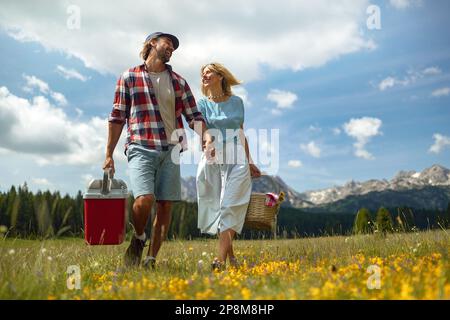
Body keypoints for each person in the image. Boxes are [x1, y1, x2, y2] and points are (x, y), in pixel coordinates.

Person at [104, 32, 210, 268]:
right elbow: (117, 116)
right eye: (167, 43)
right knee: (144, 199)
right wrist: (109, 153)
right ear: (153, 43)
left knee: (165, 204)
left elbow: (194, 116)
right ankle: (140, 236)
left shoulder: (179, 81)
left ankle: (151, 259)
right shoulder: (129, 76)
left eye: (174, 46)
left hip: (171, 148)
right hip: (141, 144)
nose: (171, 47)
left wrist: (207, 137)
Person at [196, 62, 261, 270]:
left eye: (209, 72)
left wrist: (250, 161)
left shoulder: (237, 102)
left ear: (220, 76)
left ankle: (219, 261)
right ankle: (232, 259)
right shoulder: (202, 104)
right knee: (219, 207)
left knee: (231, 203)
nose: (204, 75)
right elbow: (201, 130)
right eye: (202, 73)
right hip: (213, 157)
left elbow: (241, 132)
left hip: (237, 156)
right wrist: (208, 145)